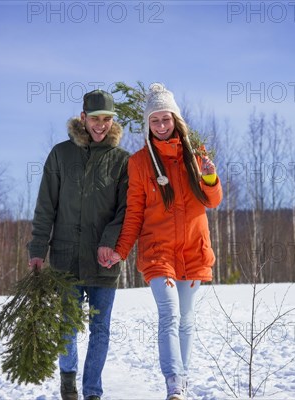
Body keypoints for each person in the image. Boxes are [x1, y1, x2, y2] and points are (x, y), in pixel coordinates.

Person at [101, 83, 222, 400]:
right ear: (147, 125)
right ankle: (174, 383)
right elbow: (134, 213)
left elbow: (212, 201)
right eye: (155, 121)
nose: (161, 126)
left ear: (176, 120)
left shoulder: (195, 155)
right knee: (168, 315)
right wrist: (120, 250)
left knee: (186, 320)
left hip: (194, 250)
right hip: (158, 253)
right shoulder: (140, 162)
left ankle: (183, 379)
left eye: (166, 119)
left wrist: (209, 176)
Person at [28, 89, 129, 400]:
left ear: (113, 121)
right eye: (95, 119)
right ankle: (68, 383)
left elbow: (127, 210)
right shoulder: (60, 155)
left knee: (100, 330)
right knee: (67, 327)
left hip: (105, 261)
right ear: (83, 118)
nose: (101, 125)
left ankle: (93, 391)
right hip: (66, 258)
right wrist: (37, 249)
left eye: (107, 119)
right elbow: (46, 206)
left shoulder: (123, 161)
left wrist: (110, 242)